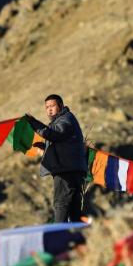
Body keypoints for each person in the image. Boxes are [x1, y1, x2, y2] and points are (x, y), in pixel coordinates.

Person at [24, 94, 87, 222]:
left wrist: (33, 122)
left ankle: (58, 236)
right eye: (47, 107)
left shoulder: (65, 120)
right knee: (74, 210)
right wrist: (45, 146)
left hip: (66, 173)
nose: (49, 109)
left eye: (52, 106)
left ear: (61, 106)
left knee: (61, 204)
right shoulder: (61, 121)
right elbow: (61, 141)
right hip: (72, 171)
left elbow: (55, 135)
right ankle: (77, 238)